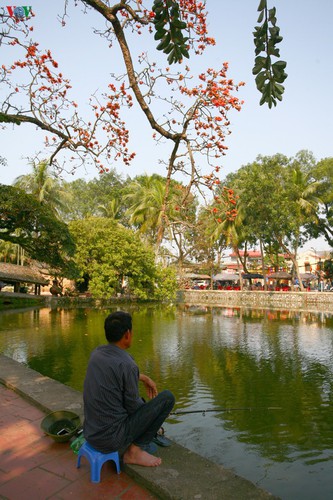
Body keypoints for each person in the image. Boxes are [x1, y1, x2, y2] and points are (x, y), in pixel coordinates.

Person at [83, 310, 175, 467]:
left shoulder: (97, 353)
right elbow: (134, 408)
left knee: (144, 404)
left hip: (91, 433)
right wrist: (151, 412)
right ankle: (134, 452)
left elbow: (117, 374)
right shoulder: (127, 364)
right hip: (111, 439)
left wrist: (143, 377)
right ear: (127, 334)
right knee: (167, 398)